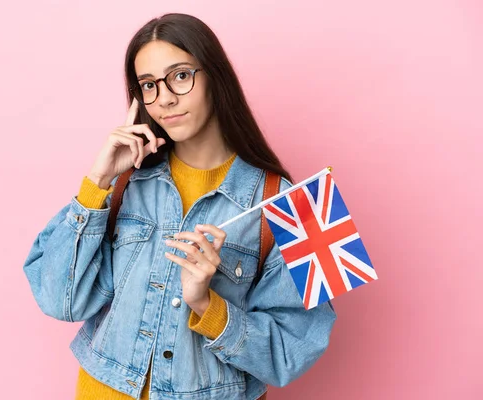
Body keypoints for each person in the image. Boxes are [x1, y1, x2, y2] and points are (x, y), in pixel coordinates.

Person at [23, 12, 336, 400]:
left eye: (181, 76)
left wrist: (208, 304)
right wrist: (96, 182)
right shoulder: (123, 184)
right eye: (149, 85)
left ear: (215, 76)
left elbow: (293, 352)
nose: (165, 98)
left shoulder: (294, 205)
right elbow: (59, 301)